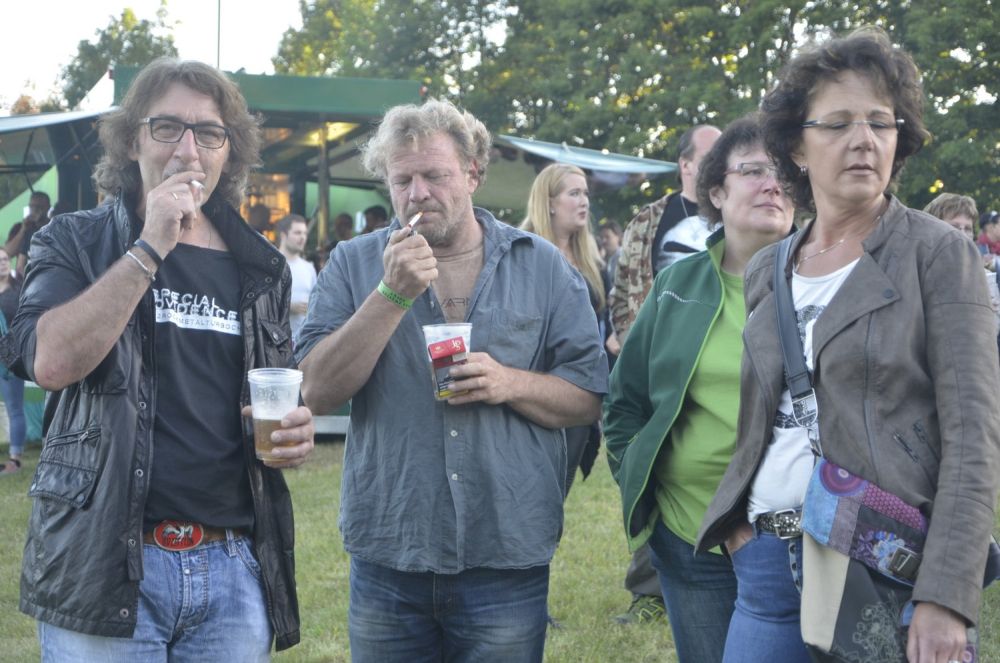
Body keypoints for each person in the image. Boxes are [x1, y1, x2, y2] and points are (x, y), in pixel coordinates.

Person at [697, 28, 1000, 663]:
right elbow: (762, 414)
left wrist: (947, 594)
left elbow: (974, 436)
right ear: (796, 147)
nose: (864, 139)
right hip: (764, 569)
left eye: (880, 123)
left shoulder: (939, 254)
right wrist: (740, 525)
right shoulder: (769, 266)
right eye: (838, 124)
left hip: (878, 567)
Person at [0, 58, 315, 659]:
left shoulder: (261, 266)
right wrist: (149, 248)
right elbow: (49, 362)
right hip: (103, 562)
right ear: (132, 141)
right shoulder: (73, 240)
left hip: (231, 567)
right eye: (167, 127)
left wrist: (292, 430)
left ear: (229, 151)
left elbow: (267, 393)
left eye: (209, 132)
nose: (188, 150)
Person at [295, 99, 607, 662]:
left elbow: (587, 397)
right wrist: (390, 295)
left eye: (435, 176)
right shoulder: (353, 263)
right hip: (392, 548)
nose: (417, 193)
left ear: (472, 174)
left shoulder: (542, 266)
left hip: (505, 550)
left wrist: (510, 383)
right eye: (402, 181)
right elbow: (315, 391)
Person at [604, 115, 794, 662]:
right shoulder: (676, 284)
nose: (772, 184)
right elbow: (625, 400)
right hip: (688, 536)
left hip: (795, 545)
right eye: (753, 170)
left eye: (783, 173)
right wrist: (644, 488)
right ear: (716, 191)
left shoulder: (822, 286)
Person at [607, 123, 721, 625]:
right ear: (686, 164)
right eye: (710, 154)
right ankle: (648, 589)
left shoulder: (742, 213)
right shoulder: (651, 220)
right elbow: (624, 293)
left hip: (719, 371)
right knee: (653, 469)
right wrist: (639, 355)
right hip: (659, 373)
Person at [521, 163, 608, 493]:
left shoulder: (591, 259)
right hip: (533, 392)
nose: (584, 201)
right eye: (574, 193)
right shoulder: (522, 253)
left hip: (581, 393)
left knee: (558, 493)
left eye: (585, 193)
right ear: (550, 202)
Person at [0, 248, 25, 475]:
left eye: (5, 259)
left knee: (14, 408)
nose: (2, 263)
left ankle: (15, 459)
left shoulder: (18, 290)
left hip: (9, 360)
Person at [276, 213, 317, 339]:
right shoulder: (271, 264)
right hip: (274, 340)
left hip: (302, 341)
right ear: (283, 235)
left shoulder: (309, 268)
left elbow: (316, 303)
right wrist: (288, 307)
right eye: (297, 233)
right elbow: (259, 303)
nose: (303, 237)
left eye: (305, 233)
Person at [5, 191, 51, 274]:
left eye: (39, 207)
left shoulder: (53, 227)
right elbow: (8, 253)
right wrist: (23, 230)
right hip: (23, 277)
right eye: (31, 206)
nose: (34, 209)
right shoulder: (19, 227)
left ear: (48, 207)